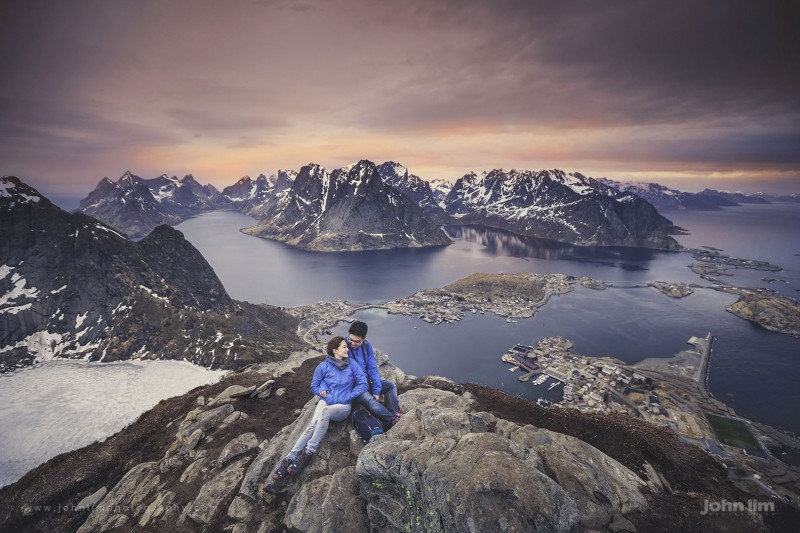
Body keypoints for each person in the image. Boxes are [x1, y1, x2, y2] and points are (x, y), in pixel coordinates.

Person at [272, 336, 367, 479]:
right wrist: (321, 390)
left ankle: (308, 453)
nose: (347, 349)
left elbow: (363, 383)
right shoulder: (323, 366)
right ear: (335, 350)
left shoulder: (352, 365)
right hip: (327, 400)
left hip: (342, 406)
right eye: (344, 347)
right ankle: (289, 459)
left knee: (325, 412)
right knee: (312, 425)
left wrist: (351, 395)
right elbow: (314, 386)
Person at [345, 320, 403, 428]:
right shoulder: (343, 346)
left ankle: (394, 412)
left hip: (366, 382)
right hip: (354, 387)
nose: (352, 343)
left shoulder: (366, 346)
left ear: (364, 338)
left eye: (357, 341)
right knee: (371, 401)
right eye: (351, 339)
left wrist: (376, 390)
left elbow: (372, 368)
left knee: (390, 385)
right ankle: (391, 420)